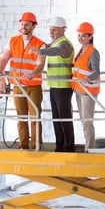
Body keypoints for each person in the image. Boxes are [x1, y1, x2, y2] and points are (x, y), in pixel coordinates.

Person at [0, 12, 46, 150]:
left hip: (33, 85)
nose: (23, 26)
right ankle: (23, 145)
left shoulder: (40, 44)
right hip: (17, 85)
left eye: (27, 24)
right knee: (21, 117)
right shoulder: (12, 41)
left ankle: (36, 146)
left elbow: (40, 64)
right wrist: (0, 69)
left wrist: (33, 73)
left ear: (33, 26)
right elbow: (4, 58)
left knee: (35, 117)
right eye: (22, 24)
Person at [30, 16, 75, 153]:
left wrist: (40, 51)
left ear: (63, 30)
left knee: (64, 118)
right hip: (55, 86)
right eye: (50, 29)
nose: (51, 32)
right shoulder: (55, 43)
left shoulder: (64, 44)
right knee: (57, 118)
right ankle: (60, 146)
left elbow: (57, 51)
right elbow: (51, 49)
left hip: (63, 87)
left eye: (54, 30)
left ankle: (68, 147)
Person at [72, 22, 100, 152]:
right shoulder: (81, 50)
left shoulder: (93, 52)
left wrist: (89, 78)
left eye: (83, 36)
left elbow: (96, 71)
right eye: (79, 35)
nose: (80, 38)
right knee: (84, 122)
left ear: (90, 37)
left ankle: (89, 150)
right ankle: (88, 149)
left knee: (87, 123)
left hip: (88, 91)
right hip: (79, 90)